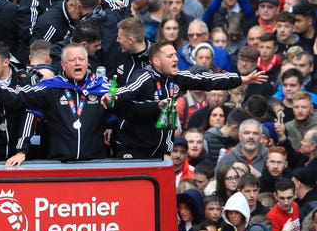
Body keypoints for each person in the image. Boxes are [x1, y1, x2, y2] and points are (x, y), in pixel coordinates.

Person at [104, 41, 266, 159]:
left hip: (161, 151)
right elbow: (128, 90)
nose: (175, 59)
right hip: (134, 148)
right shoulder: (144, 77)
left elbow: (208, 80)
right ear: (156, 61)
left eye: (175, 54)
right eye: (170, 56)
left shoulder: (178, 77)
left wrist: (241, 79)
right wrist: (114, 95)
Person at [0, 43, 111, 165]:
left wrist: (111, 126)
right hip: (61, 163)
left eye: (81, 59)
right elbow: (18, 96)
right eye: (72, 60)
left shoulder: (101, 88)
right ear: (63, 64)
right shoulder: (50, 87)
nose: (78, 63)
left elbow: (121, 108)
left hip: (95, 162)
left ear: (87, 62)